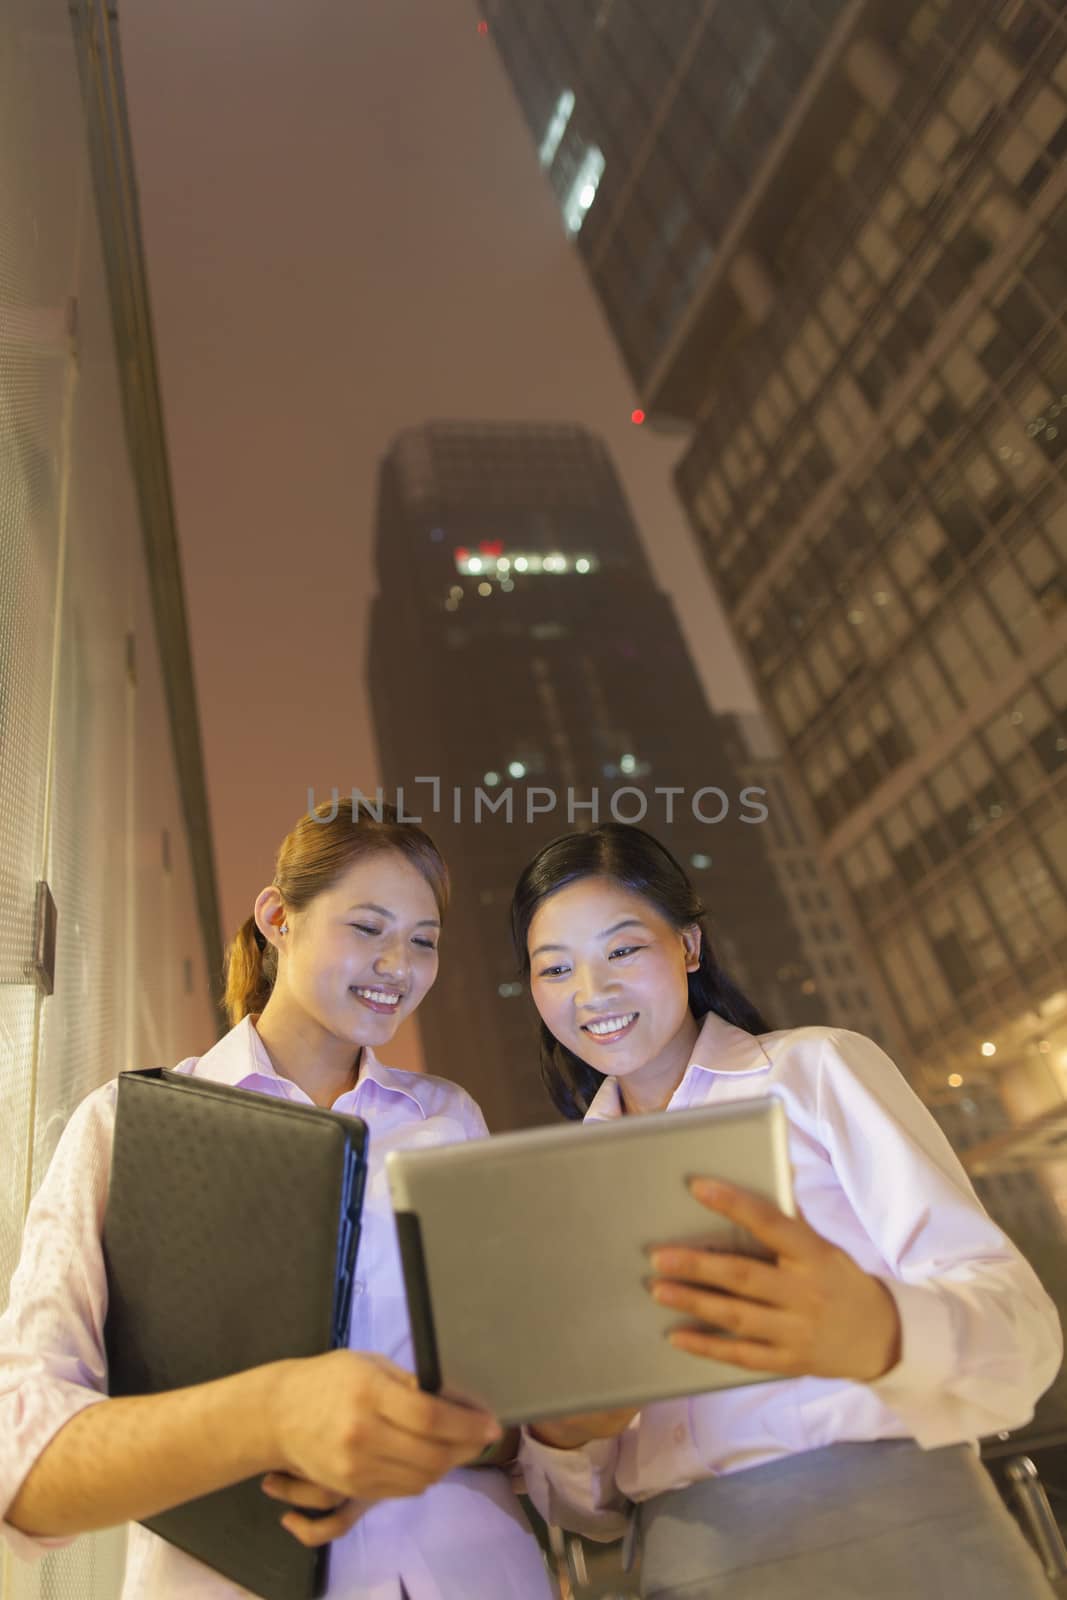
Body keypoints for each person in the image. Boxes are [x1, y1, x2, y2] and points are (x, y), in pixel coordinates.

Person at [0, 798, 553, 1600]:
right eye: (367, 928)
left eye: (423, 942)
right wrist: (271, 1414)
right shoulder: (134, 1125)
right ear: (276, 917)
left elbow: (513, 1410)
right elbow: (23, 1455)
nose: (398, 966)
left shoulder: (448, 1118)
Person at [509, 822, 1063, 1600]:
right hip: (687, 1565)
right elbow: (585, 1513)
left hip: (905, 1533)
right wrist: (564, 1436)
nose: (589, 992)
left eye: (622, 950)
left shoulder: (816, 1072)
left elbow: (1024, 1335)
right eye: (554, 968)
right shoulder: (555, 1194)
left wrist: (880, 1330)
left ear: (688, 947)